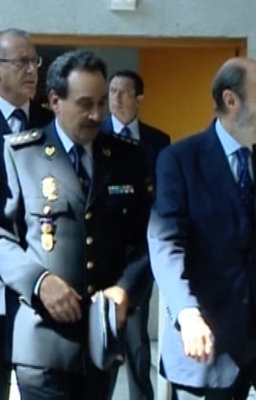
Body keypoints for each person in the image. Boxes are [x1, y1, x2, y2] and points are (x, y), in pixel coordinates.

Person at [148, 57, 256, 400]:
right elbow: (166, 243)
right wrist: (187, 313)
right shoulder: (180, 160)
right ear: (231, 100)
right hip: (207, 339)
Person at [0, 49, 150, 400]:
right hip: (42, 341)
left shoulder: (126, 156)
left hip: (101, 338)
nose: (97, 114)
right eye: (85, 104)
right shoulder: (21, 155)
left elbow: (149, 238)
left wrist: (126, 288)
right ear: (55, 101)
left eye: (101, 102)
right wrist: (38, 281)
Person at [102, 69, 170, 400]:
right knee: (104, 342)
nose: (116, 98)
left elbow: (161, 198)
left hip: (141, 254)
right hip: (104, 253)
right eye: (112, 91)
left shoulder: (157, 141)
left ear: (139, 98)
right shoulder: (96, 135)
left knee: (136, 341)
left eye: (124, 92)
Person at [0, 28, 53, 400]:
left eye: (35, 61)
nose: (32, 70)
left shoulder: (51, 126)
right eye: (21, 62)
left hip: (42, 285)